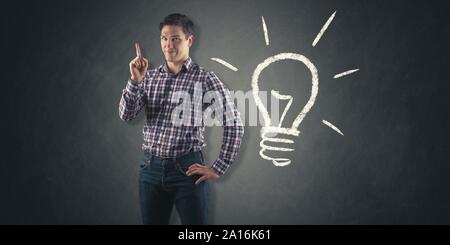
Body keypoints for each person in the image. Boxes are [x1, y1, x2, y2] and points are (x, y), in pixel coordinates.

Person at [118, 13, 244, 225]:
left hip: (187, 171)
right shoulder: (149, 78)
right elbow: (126, 115)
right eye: (164, 38)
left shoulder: (204, 78)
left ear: (189, 41)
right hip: (150, 170)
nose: (168, 45)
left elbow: (234, 123)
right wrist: (135, 80)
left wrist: (218, 167)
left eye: (175, 38)